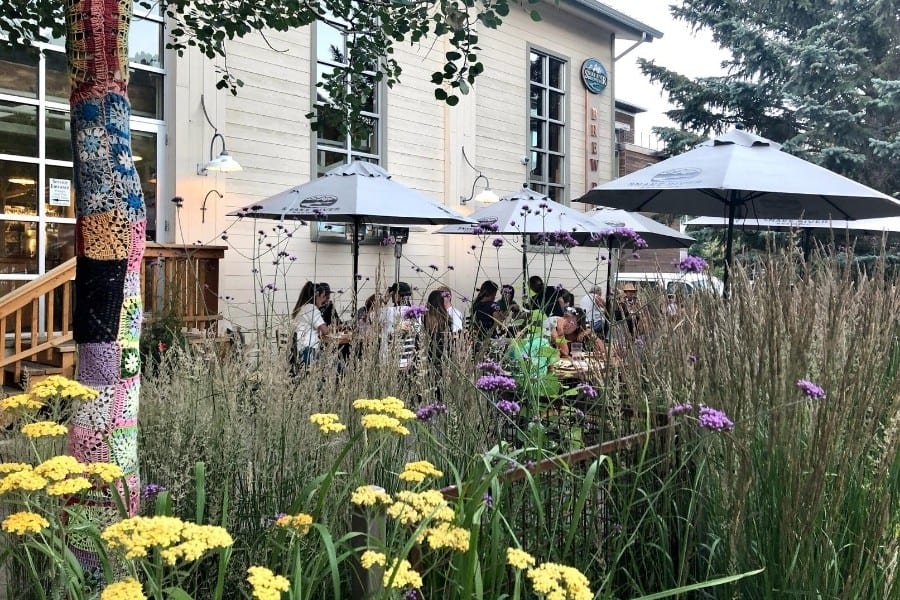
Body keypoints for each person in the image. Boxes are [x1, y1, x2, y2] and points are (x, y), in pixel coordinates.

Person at [291, 281, 330, 371]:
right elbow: (325, 331)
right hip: (308, 353)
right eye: (322, 296)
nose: (323, 300)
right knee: (338, 365)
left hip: (299, 352)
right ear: (317, 295)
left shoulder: (302, 308)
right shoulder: (311, 308)